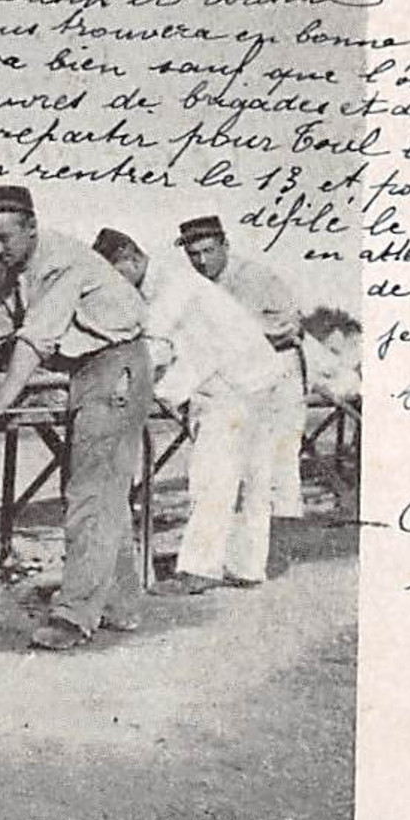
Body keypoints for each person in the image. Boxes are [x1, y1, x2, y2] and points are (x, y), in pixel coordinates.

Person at [0, 186, 150, 650]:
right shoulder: (9, 272)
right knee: (100, 490)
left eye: (4, 238)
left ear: (31, 227)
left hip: (117, 366)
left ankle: (74, 616)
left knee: (90, 493)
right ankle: (122, 606)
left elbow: (34, 343)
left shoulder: (62, 259)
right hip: (85, 371)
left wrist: (0, 401)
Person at [91, 229, 282, 595]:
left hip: (233, 384)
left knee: (212, 477)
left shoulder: (170, 287)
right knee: (251, 482)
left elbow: (154, 345)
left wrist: (141, 389)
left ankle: (199, 569)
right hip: (253, 377)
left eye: (115, 275)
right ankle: (247, 566)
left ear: (132, 258)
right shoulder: (169, 282)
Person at [177, 216, 307, 519]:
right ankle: (235, 551)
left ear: (225, 245)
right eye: (193, 254)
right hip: (237, 379)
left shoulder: (253, 277)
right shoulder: (199, 286)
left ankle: (276, 551)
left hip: (278, 371)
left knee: (275, 466)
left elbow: (289, 325)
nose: (201, 260)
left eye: (208, 251)